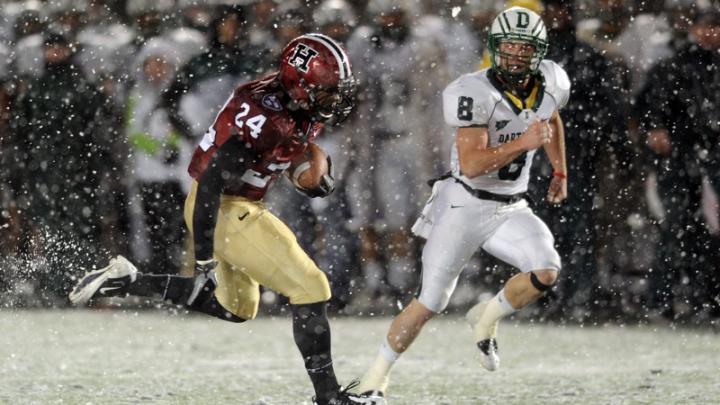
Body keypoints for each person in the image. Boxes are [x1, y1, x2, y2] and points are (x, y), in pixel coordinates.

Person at [68, 33, 368, 405]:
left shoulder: (289, 100)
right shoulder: (267, 117)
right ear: (300, 85)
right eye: (326, 90)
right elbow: (211, 182)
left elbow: (279, 146)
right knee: (311, 287)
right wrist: (205, 259)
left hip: (232, 203)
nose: (334, 99)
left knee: (236, 309)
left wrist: (298, 164)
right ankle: (328, 397)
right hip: (223, 206)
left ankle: (127, 281)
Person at [355, 7, 569, 402]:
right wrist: (522, 143)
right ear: (494, 47)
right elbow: (472, 165)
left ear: (539, 51)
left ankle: (486, 318)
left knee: (546, 270)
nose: (516, 55)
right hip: (464, 205)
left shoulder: (552, 80)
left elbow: (550, 120)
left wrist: (560, 171)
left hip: (511, 206)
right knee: (430, 302)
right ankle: (374, 380)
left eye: (525, 48)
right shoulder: (474, 90)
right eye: (509, 46)